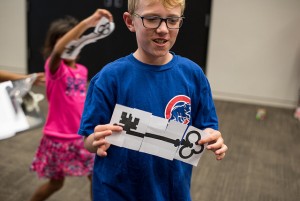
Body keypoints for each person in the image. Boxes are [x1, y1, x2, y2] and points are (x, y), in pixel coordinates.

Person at [78, 0, 228, 200]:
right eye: (151, 19)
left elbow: (207, 127)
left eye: (172, 20)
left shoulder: (193, 75)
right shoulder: (109, 78)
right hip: (117, 191)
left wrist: (213, 137)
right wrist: (94, 140)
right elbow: (88, 139)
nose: (163, 29)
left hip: (171, 190)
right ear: (130, 21)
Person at [29, 9, 113, 201]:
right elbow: (59, 50)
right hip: (58, 139)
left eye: (75, 40)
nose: (70, 45)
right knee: (56, 184)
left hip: (81, 137)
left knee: (96, 177)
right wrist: (88, 22)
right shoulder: (54, 67)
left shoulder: (82, 70)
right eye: (66, 41)